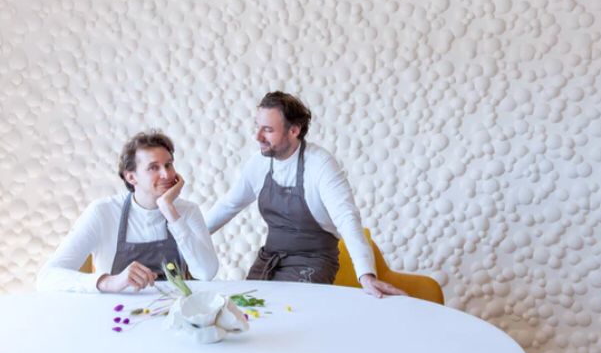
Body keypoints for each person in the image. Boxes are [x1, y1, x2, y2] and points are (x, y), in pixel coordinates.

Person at [206, 91, 405, 298]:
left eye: (267, 130)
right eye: (257, 127)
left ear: (294, 130)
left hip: (313, 262)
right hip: (270, 260)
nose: (258, 136)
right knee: (245, 310)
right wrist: (186, 242)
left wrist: (366, 274)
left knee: (288, 313)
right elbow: (228, 206)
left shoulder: (321, 165)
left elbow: (346, 217)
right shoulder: (258, 163)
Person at [37, 130, 218, 293]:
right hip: (116, 317)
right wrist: (109, 281)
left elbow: (206, 272)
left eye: (169, 165)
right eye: (154, 167)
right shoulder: (102, 212)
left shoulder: (187, 211)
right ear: (131, 177)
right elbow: (47, 277)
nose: (167, 174)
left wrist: (169, 210)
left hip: (172, 313)